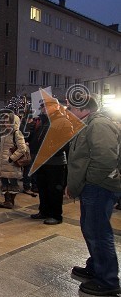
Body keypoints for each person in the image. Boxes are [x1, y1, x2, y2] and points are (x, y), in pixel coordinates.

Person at [66, 94, 121, 296]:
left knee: (98, 232)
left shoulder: (98, 125)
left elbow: (105, 159)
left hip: (99, 187)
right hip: (94, 187)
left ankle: (108, 280)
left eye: (71, 108)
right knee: (91, 230)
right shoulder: (89, 124)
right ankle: (96, 267)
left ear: (84, 109)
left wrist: (89, 181)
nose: (68, 111)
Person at [29, 100, 70, 224]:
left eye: (46, 107)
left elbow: (65, 143)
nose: (43, 109)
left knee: (54, 190)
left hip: (55, 163)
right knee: (43, 188)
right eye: (42, 107)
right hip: (42, 162)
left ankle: (56, 215)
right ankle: (44, 211)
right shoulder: (44, 122)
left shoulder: (62, 121)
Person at [0, 112, 26, 209]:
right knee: (4, 182)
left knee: (13, 183)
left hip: (11, 164)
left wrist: (12, 158)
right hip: (3, 162)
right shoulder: (4, 133)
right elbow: (1, 147)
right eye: (5, 122)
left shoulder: (16, 133)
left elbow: (22, 148)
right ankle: (7, 201)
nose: (5, 124)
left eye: (8, 122)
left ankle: (10, 201)